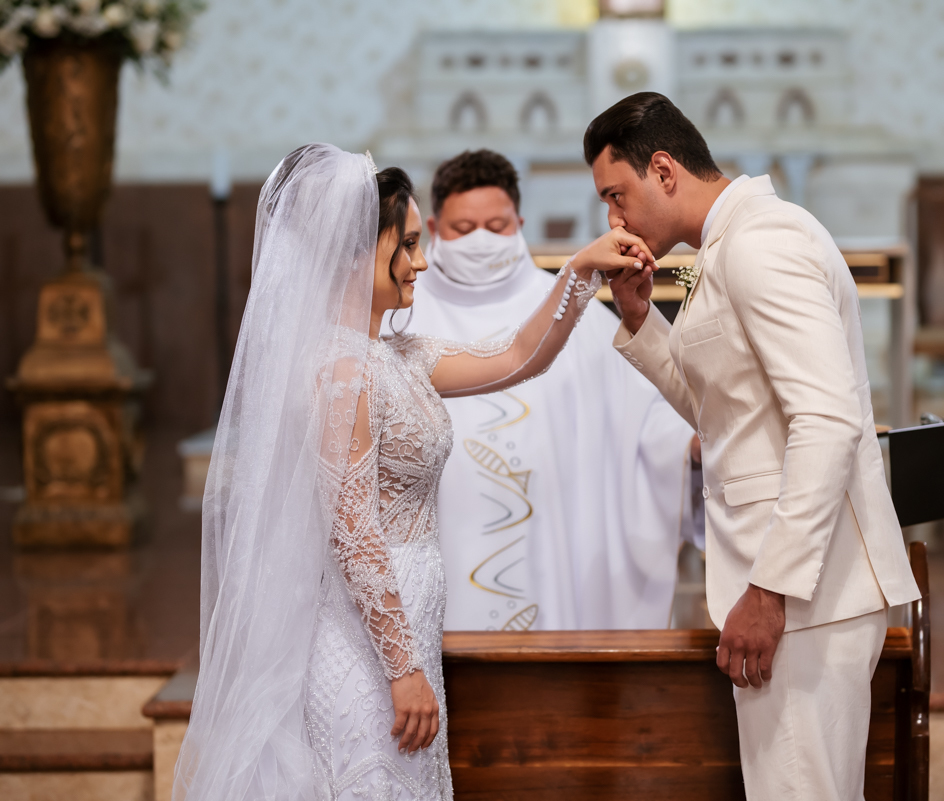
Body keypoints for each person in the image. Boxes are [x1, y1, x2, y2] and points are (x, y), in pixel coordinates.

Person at [174, 144, 656, 800]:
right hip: (363, 646)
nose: (422, 261)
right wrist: (403, 670)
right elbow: (354, 531)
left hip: (409, 628)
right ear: (353, 254)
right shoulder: (339, 373)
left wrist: (580, 271)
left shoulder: (397, 355)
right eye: (405, 245)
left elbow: (518, 355)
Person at [590, 94, 922, 799]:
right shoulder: (728, 244)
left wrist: (769, 591)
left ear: (664, 168)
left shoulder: (762, 241)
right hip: (799, 592)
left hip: (808, 595)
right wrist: (642, 320)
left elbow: (827, 419)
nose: (613, 220)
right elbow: (725, 417)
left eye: (617, 196)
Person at [383, 150, 698, 631]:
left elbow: (646, 422)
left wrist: (687, 446)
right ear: (432, 226)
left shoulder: (586, 320)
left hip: (553, 550)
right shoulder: (400, 320)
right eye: (464, 229)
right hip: (434, 557)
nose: (482, 240)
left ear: (520, 222)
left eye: (497, 225)